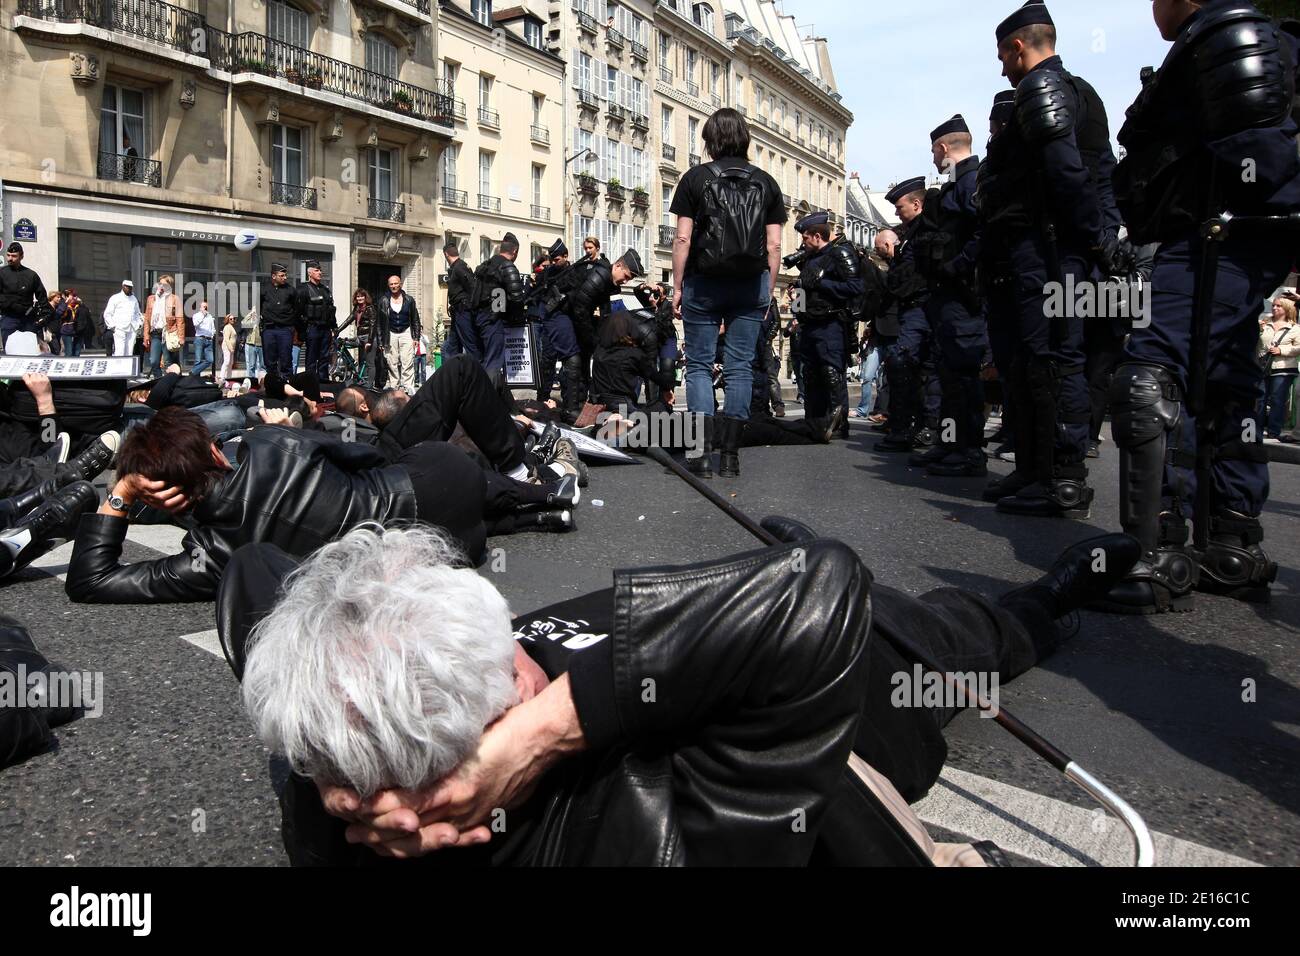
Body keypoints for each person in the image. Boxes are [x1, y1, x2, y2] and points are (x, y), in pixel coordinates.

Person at [217, 521, 1139, 866]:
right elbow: (817, 589)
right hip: (864, 672)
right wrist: (546, 734)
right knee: (972, 629)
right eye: (513, 673)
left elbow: (255, 573)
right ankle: (1065, 594)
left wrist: (322, 779)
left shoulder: (339, 774)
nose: (524, 658)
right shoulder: (635, 827)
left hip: (719, 601)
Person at [1098, 0, 1300, 613]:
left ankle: (1150, 552)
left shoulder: (1224, 32)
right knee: (1227, 377)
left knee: (1149, 369)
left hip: (1220, 235)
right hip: (1235, 236)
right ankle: (1230, 540)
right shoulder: (1246, 35)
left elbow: (1259, 159)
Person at [63, 406, 508, 605]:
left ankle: (539, 504)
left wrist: (121, 492)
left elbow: (90, 581)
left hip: (440, 554)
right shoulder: (269, 442)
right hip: (441, 479)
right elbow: (366, 457)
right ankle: (541, 493)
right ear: (216, 453)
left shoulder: (214, 557)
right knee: (431, 470)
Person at [978, 2, 1123, 518]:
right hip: (1053, 247)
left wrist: (1089, 242)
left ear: (1019, 45)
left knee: (1054, 361)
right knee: (1031, 361)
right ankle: (1036, 468)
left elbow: (1067, 174)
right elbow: (1102, 173)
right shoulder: (1084, 91)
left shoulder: (1041, 89)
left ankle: (1063, 478)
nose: (1001, 68)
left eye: (1002, 55)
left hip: (1050, 249)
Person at [670, 108, 787, 479]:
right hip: (750, 284)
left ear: (710, 141)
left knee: (700, 367)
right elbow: (774, 246)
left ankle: (702, 455)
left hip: (703, 283)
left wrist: (676, 285)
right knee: (739, 369)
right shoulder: (767, 183)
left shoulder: (695, 179)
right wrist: (767, 289)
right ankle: (731, 457)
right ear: (745, 139)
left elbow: (683, 238)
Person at [911, 114, 990, 477]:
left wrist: (957, 266)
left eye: (933, 151)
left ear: (944, 148)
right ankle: (948, 443)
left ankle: (969, 450)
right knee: (947, 375)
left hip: (962, 295)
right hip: (947, 294)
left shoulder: (972, 181)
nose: (932, 158)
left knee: (962, 378)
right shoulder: (958, 184)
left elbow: (983, 233)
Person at [875, 183, 937, 453]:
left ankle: (917, 428)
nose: (897, 213)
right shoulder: (912, 233)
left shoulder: (927, 230)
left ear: (916, 204)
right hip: (914, 308)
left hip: (922, 307)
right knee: (909, 367)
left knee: (905, 363)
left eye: (900, 207)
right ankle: (913, 426)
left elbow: (914, 275)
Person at [790, 211, 861, 444]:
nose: (803, 242)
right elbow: (803, 288)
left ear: (818, 235)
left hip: (831, 322)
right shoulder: (809, 259)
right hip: (810, 323)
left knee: (831, 373)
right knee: (810, 374)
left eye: (806, 238)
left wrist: (823, 283)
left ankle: (839, 424)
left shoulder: (840, 254)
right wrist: (797, 308)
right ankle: (815, 419)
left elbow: (855, 288)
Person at [469, 235, 526, 380]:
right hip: (493, 319)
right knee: (494, 361)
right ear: (515, 251)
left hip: (477, 318)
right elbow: (517, 298)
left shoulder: (485, 265)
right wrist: (516, 317)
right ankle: (488, 400)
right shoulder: (507, 266)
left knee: (482, 361)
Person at [1260, 298, 1300, 442]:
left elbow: (1298, 348)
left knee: (1277, 400)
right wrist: (1258, 330)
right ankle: (1256, 430)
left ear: (1287, 308)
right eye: (1274, 305)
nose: (1275, 308)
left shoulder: (1294, 328)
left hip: (1283, 368)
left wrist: (1281, 350)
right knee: (1259, 399)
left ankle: (1273, 431)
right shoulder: (1265, 324)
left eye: (1279, 306)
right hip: (1263, 367)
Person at [0, 243, 52, 352]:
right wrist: (12, 305)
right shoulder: (2, 273)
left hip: (28, 318)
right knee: (9, 350)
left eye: (14, 256)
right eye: (8, 255)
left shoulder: (31, 275)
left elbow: (42, 296)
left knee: (31, 350)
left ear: (21, 256)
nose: (10, 259)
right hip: (9, 317)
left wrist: (44, 316)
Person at [295, 259, 336, 381]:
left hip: (326, 329)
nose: (320, 273)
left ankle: (323, 381)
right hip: (312, 328)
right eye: (317, 270)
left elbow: (331, 310)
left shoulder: (325, 289)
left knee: (324, 357)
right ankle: (310, 382)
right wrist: (302, 331)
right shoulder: (303, 289)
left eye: (320, 270)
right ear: (310, 273)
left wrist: (334, 327)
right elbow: (298, 312)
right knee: (311, 358)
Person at [382, 274, 422, 393]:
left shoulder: (409, 300)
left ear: (400, 284)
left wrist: (416, 337)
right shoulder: (383, 300)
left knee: (407, 360)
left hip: (406, 332)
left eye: (396, 283)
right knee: (391, 361)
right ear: (389, 286)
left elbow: (415, 319)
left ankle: (408, 386)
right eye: (391, 284)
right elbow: (380, 322)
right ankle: (394, 386)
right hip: (390, 333)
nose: (394, 286)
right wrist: (381, 340)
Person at [338, 288, 384, 389]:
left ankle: (369, 385)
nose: (360, 298)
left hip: (369, 338)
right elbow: (348, 320)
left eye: (362, 296)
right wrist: (337, 330)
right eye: (358, 296)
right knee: (342, 343)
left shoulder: (370, 308)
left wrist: (370, 342)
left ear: (365, 297)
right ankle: (352, 366)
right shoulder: (357, 309)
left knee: (370, 363)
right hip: (360, 337)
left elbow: (373, 326)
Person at [259, 263, 298, 377]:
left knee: (286, 360)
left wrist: (291, 325)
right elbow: (258, 306)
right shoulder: (264, 289)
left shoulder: (291, 290)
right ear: (273, 276)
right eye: (281, 275)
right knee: (269, 361)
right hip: (269, 329)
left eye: (285, 275)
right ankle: (272, 384)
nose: (285, 278)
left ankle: (287, 385)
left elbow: (297, 309)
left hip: (285, 329)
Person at [142, 275, 184, 377]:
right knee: (154, 361)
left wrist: (181, 337)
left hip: (168, 333)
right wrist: (146, 336)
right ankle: (159, 382)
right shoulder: (151, 299)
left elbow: (180, 319)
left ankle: (169, 384)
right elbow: (147, 318)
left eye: (164, 284)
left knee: (168, 363)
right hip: (155, 333)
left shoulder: (175, 299)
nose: (161, 286)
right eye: (160, 283)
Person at [443, 242, 477, 361]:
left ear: (446, 254)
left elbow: (472, 287)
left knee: (470, 344)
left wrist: (468, 306)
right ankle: (454, 375)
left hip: (463, 311)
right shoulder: (456, 268)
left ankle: (478, 373)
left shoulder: (460, 267)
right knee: (452, 347)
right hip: (458, 312)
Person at [102, 279, 142, 358]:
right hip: (119, 328)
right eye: (127, 287)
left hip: (132, 327)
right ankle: (118, 368)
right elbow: (107, 314)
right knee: (120, 350)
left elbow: (137, 313)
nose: (129, 289)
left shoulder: (134, 299)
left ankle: (127, 369)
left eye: (130, 287)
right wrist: (113, 326)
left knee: (129, 351)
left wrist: (139, 324)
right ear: (123, 286)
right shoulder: (115, 298)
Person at [191, 300, 216, 378]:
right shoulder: (196, 315)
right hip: (200, 339)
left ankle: (193, 372)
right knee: (198, 360)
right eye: (204, 306)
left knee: (210, 360)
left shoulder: (210, 316)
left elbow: (213, 328)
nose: (205, 308)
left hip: (209, 340)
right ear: (200, 307)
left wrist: (212, 335)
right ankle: (196, 379)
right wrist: (203, 316)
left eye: (206, 306)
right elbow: (196, 324)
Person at [219, 314, 237, 382]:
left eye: (233, 318)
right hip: (227, 347)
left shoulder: (231, 327)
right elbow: (226, 339)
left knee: (230, 363)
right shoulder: (227, 327)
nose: (232, 320)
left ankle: (229, 378)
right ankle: (222, 378)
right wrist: (230, 348)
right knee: (227, 362)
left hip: (231, 348)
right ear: (227, 320)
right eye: (230, 319)